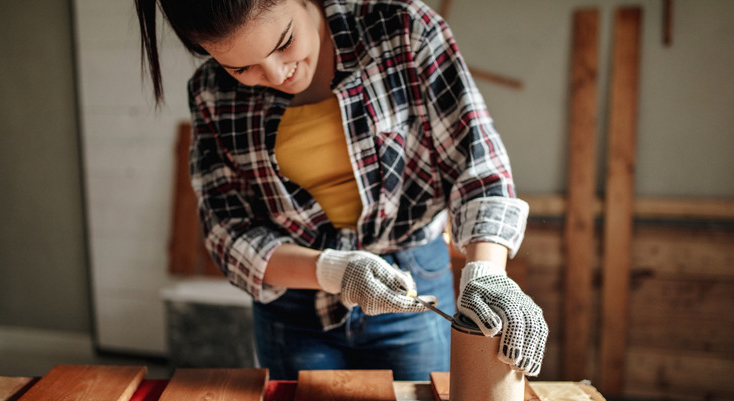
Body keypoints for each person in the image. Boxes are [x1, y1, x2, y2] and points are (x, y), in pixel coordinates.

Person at [134, 0, 548, 380]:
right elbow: (229, 233)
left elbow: (479, 168)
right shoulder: (211, 92)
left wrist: (487, 272)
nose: (277, 75)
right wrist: (333, 271)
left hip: (413, 290)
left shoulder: (403, 29)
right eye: (242, 68)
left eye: (284, 42)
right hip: (293, 306)